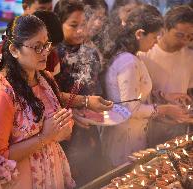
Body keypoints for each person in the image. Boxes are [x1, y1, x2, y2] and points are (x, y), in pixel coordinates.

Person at [0, 15, 75, 188]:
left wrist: (63, 128)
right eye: (37, 47)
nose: (45, 52)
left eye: (46, 45)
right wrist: (44, 137)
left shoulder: (45, 78)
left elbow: (57, 132)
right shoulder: (3, 92)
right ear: (14, 50)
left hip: (53, 172)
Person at [101, 4, 190, 168]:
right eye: (155, 36)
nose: (156, 42)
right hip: (126, 140)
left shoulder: (131, 57)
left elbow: (134, 94)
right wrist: (166, 109)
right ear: (139, 34)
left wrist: (163, 96)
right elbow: (130, 109)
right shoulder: (128, 62)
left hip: (132, 135)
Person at [53, 0, 113, 186]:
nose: (80, 30)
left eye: (84, 24)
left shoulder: (91, 52)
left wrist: (103, 107)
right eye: (73, 25)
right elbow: (49, 95)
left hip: (89, 127)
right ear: (59, 23)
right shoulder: (53, 55)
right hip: (63, 130)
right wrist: (72, 111)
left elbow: (94, 87)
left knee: (93, 174)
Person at [138, 5, 193, 146]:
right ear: (164, 28)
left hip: (178, 127)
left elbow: (188, 92)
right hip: (146, 126)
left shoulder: (189, 56)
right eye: (179, 35)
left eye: (190, 37)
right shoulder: (145, 54)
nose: (184, 41)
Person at [0, 10, 63, 80]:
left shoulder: (46, 70)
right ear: (14, 50)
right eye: (37, 47)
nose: (46, 53)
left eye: (47, 46)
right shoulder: (3, 85)